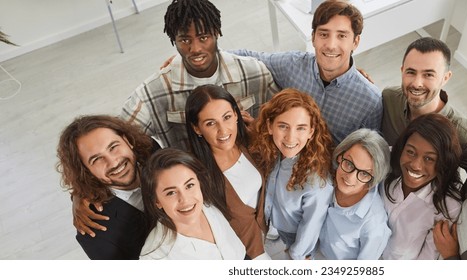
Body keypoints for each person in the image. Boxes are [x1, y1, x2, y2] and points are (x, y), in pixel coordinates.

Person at [120, 0, 277, 151]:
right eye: (185, 40)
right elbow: (119, 140)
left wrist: (257, 130)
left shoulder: (255, 72)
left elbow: (284, 121)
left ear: (216, 33)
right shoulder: (151, 93)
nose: (195, 49)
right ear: (174, 40)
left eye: (203, 38)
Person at [231, 0, 382, 144]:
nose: (330, 45)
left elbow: (368, 153)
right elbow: (249, 56)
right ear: (313, 37)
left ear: (355, 42)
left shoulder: (370, 102)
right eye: (324, 34)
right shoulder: (293, 64)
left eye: (341, 36)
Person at [185, 84, 269, 260]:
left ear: (236, 115)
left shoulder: (251, 142)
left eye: (227, 117)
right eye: (210, 123)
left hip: (277, 240)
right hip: (248, 256)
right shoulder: (195, 176)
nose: (223, 130)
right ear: (197, 128)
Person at [56, 115, 158, 259]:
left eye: (113, 147)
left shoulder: (154, 151)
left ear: (128, 141)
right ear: (85, 170)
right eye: (96, 159)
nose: (113, 162)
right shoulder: (96, 235)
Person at [250, 88, 334, 260]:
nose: (290, 137)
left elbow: (310, 228)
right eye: (283, 126)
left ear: (311, 132)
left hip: (296, 244)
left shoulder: (316, 182)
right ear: (269, 126)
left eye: (301, 128)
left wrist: (296, 256)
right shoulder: (273, 154)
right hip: (271, 232)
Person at [380, 37, 467, 170]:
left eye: (428, 75)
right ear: (402, 71)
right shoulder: (389, 98)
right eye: (411, 72)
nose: (417, 83)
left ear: (445, 78)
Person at [380, 114, 463, 260]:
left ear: (443, 162)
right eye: (410, 152)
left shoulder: (448, 206)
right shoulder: (385, 159)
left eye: (429, 158)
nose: (415, 165)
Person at [139, 148, 246, 260]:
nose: (185, 200)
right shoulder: (153, 257)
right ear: (157, 201)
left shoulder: (208, 206)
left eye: (189, 186)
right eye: (171, 193)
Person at [318, 129, 391, 259]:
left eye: (364, 173)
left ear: (374, 177)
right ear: (340, 156)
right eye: (349, 163)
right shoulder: (326, 181)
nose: (350, 178)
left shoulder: (374, 224)